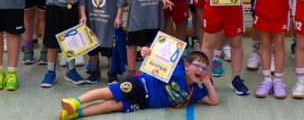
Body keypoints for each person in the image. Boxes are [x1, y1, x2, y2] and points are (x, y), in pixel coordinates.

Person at [57, 49, 218, 119]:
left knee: (112, 106)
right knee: (108, 93)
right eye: (198, 66)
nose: (201, 70)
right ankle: (75, 101)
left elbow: (214, 101)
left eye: (204, 69)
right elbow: (157, 56)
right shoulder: (176, 69)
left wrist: (207, 82)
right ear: (187, 66)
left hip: (145, 102)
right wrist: (146, 51)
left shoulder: (195, 92)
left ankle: (75, 114)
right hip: (142, 84)